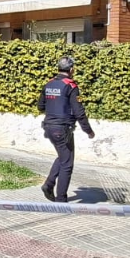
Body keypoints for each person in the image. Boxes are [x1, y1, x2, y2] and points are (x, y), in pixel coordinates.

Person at [37, 56, 94, 202]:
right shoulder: (71, 86)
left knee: (63, 157)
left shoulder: (48, 84)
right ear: (71, 69)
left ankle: (49, 185)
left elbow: (40, 106)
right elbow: (79, 111)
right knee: (67, 164)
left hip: (49, 127)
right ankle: (61, 200)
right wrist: (88, 130)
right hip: (63, 129)